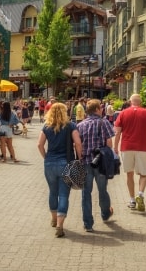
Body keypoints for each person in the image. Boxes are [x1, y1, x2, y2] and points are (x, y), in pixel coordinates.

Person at [37, 102, 82, 238]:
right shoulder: (71, 126)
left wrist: (46, 157)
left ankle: (53, 218)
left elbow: (39, 144)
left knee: (52, 192)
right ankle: (60, 225)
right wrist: (80, 159)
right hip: (65, 163)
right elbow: (78, 143)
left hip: (50, 163)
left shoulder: (46, 126)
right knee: (63, 194)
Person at [78, 99, 115, 232]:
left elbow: (77, 144)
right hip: (100, 162)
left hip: (86, 162)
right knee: (102, 190)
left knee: (86, 193)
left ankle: (88, 224)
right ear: (97, 110)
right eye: (100, 108)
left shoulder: (81, 125)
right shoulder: (103, 122)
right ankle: (105, 214)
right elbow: (109, 142)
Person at [113, 93, 146, 212]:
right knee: (143, 174)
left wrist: (116, 147)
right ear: (140, 102)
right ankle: (140, 194)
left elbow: (117, 132)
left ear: (130, 102)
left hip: (127, 146)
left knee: (129, 174)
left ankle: (132, 200)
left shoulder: (123, 113)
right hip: (142, 147)